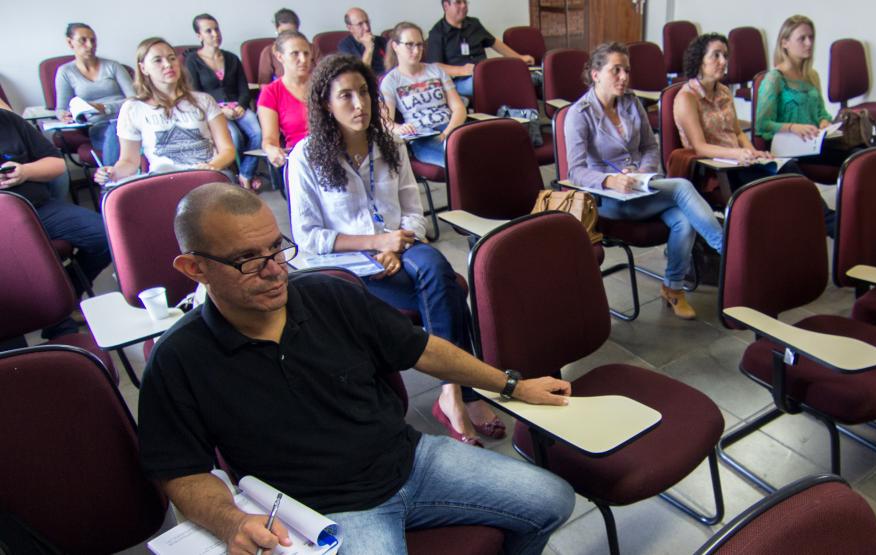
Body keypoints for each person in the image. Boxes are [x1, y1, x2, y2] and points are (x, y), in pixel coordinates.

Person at [138, 181, 576, 554]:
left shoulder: (330, 296)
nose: (275, 271)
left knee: (552, 498)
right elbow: (180, 470)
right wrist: (231, 521)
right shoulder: (180, 358)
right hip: (326, 510)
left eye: (277, 249)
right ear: (195, 269)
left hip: (411, 460)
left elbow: (424, 350)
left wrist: (512, 386)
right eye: (249, 260)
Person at [288, 54, 509, 445]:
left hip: (401, 249)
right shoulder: (305, 157)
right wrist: (378, 243)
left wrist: (399, 241)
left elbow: (412, 210)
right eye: (345, 97)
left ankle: (450, 392)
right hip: (345, 266)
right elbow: (310, 237)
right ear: (325, 103)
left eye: (364, 93)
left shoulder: (389, 142)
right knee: (451, 290)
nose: (359, 105)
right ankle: (463, 391)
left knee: (435, 265)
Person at [566, 43, 723, 320]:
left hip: (643, 187)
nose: (624, 77)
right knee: (683, 187)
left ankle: (673, 288)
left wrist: (642, 172)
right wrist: (610, 181)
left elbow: (651, 147)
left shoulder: (631, 102)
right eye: (616, 70)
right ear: (595, 74)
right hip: (610, 199)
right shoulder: (579, 114)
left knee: (683, 220)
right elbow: (576, 171)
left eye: (626, 70)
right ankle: (729, 251)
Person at [0, 109, 110, 337]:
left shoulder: (8, 120)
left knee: (105, 235)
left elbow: (56, 164)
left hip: (39, 208)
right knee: (24, 255)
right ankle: (59, 324)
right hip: (5, 220)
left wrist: (25, 172)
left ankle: (66, 296)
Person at [94, 37, 235, 186]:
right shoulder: (133, 108)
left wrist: (212, 166)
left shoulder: (204, 100)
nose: (168, 64)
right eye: (158, 60)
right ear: (143, 68)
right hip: (165, 181)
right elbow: (129, 161)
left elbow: (227, 149)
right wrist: (112, 172)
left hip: (207, 178)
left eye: (172, 58)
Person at [673, 33, 803, 193]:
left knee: (789, 168)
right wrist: (736, 154)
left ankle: (822, 215)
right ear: (700, 60)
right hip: (717, 168)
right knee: (776, 186)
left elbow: (738, 133)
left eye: (725, 56)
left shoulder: (724, 92)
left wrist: (753, 152)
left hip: (739, 161)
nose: (723, 61)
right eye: (716, 55)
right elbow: (700, 147)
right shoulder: (687, 97)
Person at [755, 15, 854, 167]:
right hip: (787, 144)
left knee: (862, 152)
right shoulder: (774, 79)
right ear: (785, 43)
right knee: (853, 157)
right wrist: (793, 127)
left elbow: (821, 112)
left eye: (811, 38)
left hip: (812, 141)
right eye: (802, 38)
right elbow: (762, 124)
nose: (809, 43)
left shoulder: (812, 75)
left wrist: (824, 122)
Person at [185, 14, 263, 190]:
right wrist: (221, 109)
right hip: (213, 111)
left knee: (257, 131)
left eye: (217, 29)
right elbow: (196, 94)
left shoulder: (231, 58)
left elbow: (243, 88)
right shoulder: (193, 61)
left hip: (237, 106)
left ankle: (246, 173)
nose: (215, 34)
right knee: (233, 137)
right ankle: (236, 176)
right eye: (209, 31)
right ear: (199, 36)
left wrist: (241, 106)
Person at [381, 21, 466, 168]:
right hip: (423, 136)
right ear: (395, 46)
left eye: (419, 45)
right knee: (460, 160)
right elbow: (385, 121)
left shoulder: (436, 71)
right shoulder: (391, 81)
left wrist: (447, 133)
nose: (416, 50)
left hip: (450, 127)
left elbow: (459, 108)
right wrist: (398, 128)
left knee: (482, 150)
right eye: (409, 44)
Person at [54, 23, 135, 166]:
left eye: (93, 40)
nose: (90, 45)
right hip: (99, 126)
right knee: (114, 131)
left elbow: (135, 99)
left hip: (127, 119)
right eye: (83, 40)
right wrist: (64, 115)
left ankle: (111, 182)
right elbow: (61, 108)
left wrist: (105, 107)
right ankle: (112, 182)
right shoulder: (65, 72)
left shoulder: (113, 66)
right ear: (70, 42)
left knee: (119, 128)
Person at [426, 0, 535, 97]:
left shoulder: (474, 24)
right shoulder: (437, 33)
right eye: (458, 2)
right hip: (461, 80)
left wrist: (519, 57)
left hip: (485, 72)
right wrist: (461, 70)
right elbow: (435, 66)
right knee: (490, 83)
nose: (464, 6)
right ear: (446, 6)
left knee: (509, 73)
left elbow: (494, 43)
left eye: (465, 2)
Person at [256, 30, 313, 177]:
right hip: (300, 160)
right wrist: (270, 149)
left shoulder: (324, 84)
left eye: (306, 53)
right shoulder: (271, 93)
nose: (303, 59)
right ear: (280, 57)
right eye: (295, 54)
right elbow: (269, 139)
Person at [257, 8, 308, 85]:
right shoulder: (269, 52)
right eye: (283, 32)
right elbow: (264, 85)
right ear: (276, 30)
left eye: (292, 32)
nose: (287, 36)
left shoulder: (310, 48)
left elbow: (325, 74)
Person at [339, 8, 388, 76]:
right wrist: (369, 48)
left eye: (367, 22)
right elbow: (360, 74)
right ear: (350, 28)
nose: (367, 28)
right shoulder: (345, 46)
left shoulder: (382, 41)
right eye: (360, 24)